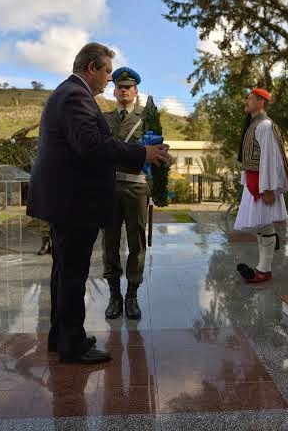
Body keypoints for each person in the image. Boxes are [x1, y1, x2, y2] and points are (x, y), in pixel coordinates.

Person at [27, 43, 170, 364]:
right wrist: (141, 154)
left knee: (64, 272)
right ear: (90, 68)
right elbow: (91, 146)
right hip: (74, 202)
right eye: (106, 71)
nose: (108, 80)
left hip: (68, 199)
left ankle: (61, 335)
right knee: (73, 273)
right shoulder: (77, 96)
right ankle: (73, 344)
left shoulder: (69, 94)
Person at [101, 67, 148, 321]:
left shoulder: (146, 118)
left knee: (136, 241)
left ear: (135, 91)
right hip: (108, 188)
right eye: (120, 86)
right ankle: (114, 295)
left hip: (136, 187)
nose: (124, 90)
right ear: (114, 90)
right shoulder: (104, 119)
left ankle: (132, 295)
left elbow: (157, 148)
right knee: (109, 242)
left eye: (128, 86)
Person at [233, 88, 288, 284]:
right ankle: (262, 267)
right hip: (254, 182)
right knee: (261, 225)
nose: (246, 101)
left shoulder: (265, 125)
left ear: (260, 102)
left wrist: (268, 188)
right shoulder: (253, 124)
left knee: (265, 224)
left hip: (262, 183)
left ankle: (264, 270)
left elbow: (271, 159)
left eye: (249, 99)